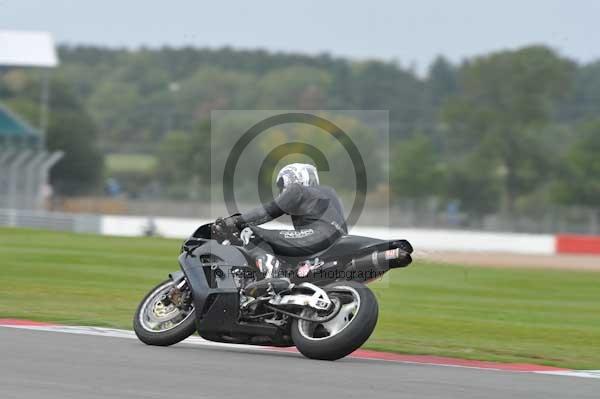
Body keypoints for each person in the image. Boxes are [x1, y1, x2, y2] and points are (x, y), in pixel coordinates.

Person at [217, 163, 347, 279]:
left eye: (282, 184)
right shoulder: (328, 193)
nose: (282, 189)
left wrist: (235, 221)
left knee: (249, 232)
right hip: (336, 242)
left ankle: (270, 271)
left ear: (295, 177)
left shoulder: (297, 189)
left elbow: (269, 211)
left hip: (318, 235)